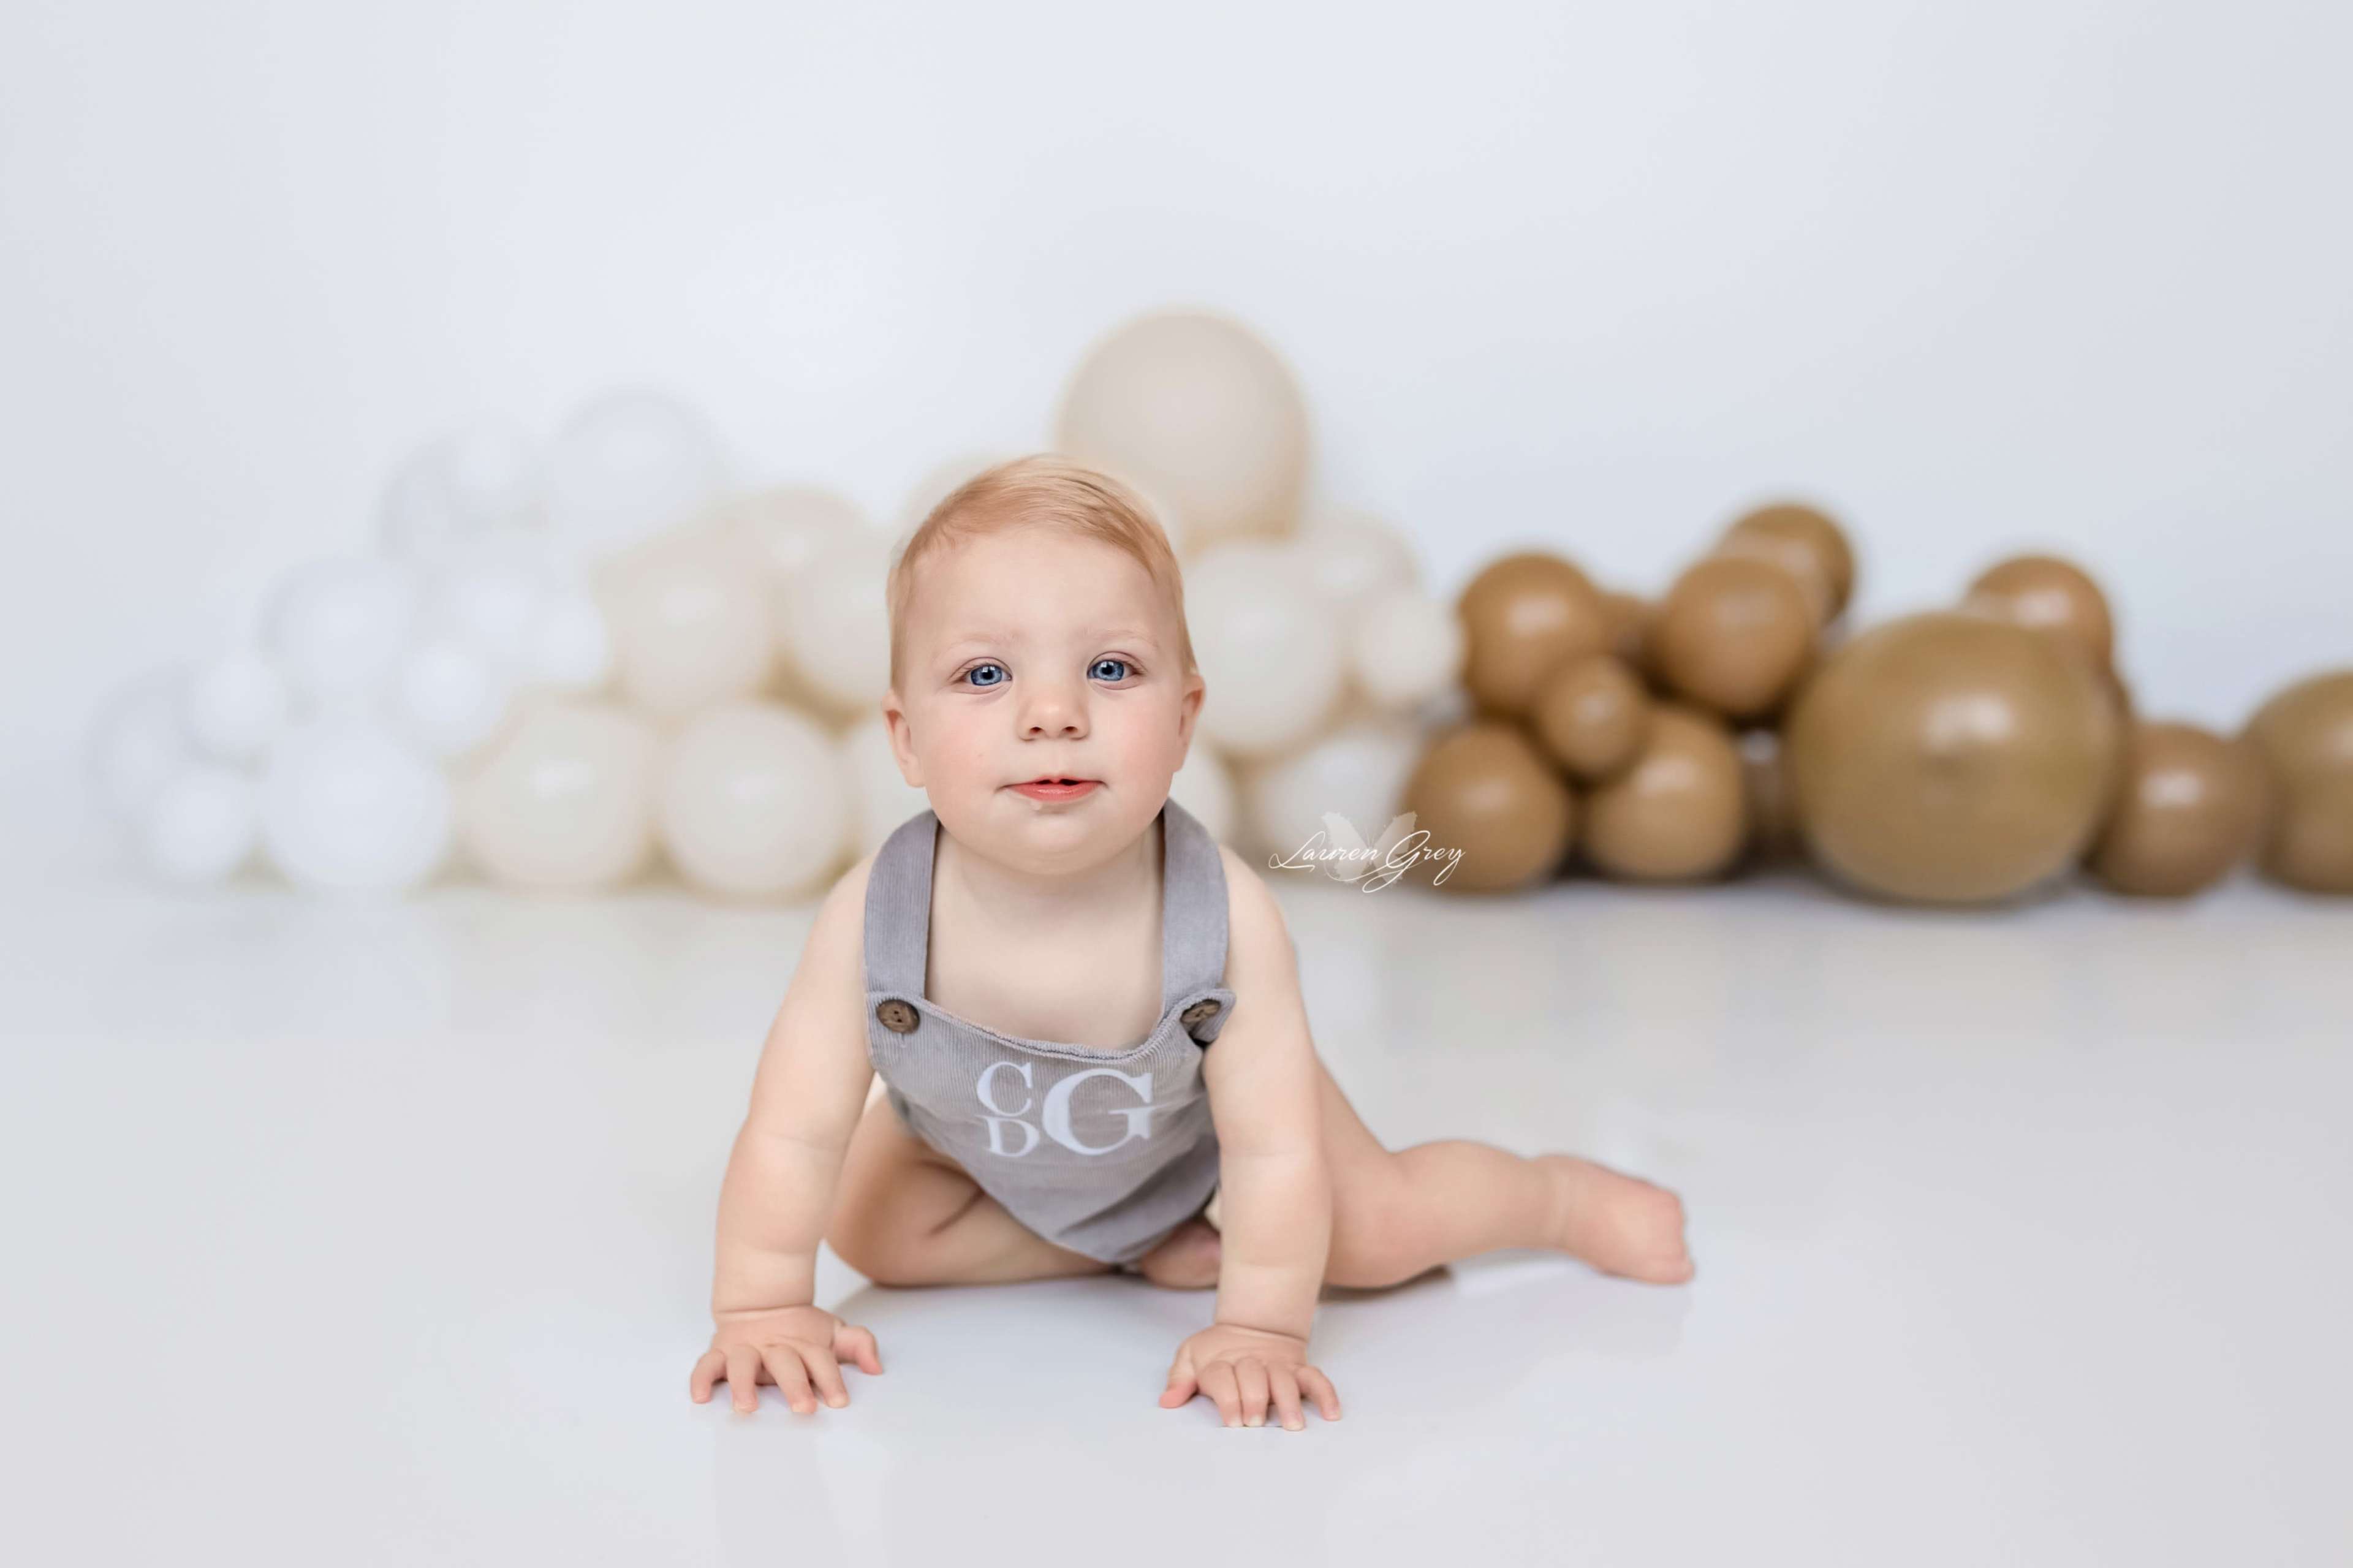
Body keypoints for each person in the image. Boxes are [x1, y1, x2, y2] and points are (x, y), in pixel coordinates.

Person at [688, 455, 1692, 1432]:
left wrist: (1257, 1323)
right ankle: (1131, 1248)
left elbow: (1271, 1145)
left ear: (1183, 719)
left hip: (1205, 1143)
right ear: (905, 739)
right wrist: (765, 1301)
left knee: (1378, 1232)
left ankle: (1556, 1199)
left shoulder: (1222, 916)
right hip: (976, 1155)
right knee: (871, 1230)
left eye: (1112, 668)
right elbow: (792, 1130)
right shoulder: (874, 914)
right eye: (985, 673)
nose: (1053, 714)